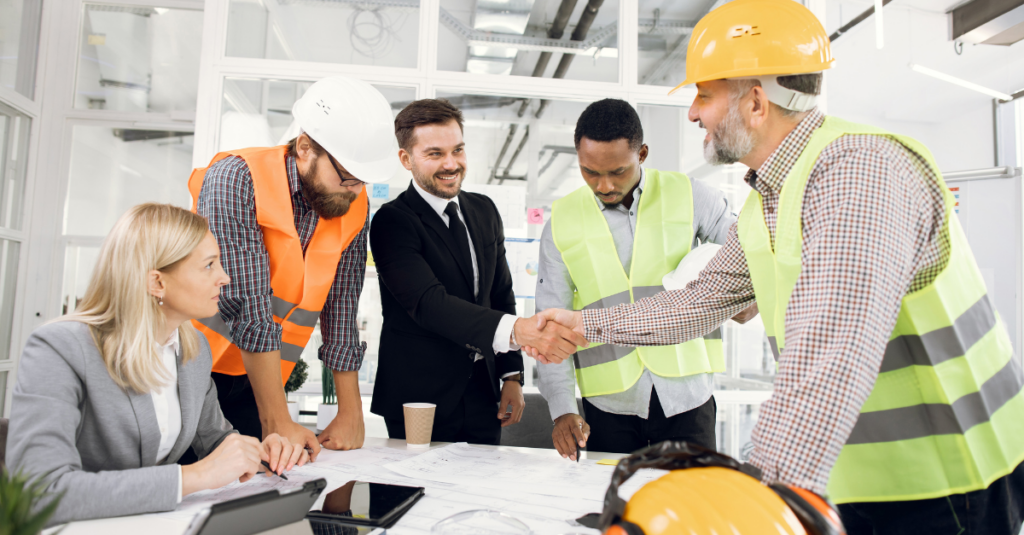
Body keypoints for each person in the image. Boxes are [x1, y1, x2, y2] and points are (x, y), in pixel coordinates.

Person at [531, 0, 1024, 533]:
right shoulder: (767, 199)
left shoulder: (857, 173)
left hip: (947, 478)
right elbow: (696, 303)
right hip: (853, 476)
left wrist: (755, 506)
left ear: (757, 103)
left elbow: (831, 355)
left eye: (704, 94)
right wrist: (585, 327)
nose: (694, 113)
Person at [8, 204, 307, 526]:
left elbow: (216, 441)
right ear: (157, 283)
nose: (224, 277)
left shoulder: (193, 348)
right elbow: (38, 493)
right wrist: (192, 477)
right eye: (209, 266)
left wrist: (259, 451)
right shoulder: (59, 347)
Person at [189, 76, 398, 456]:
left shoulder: (352, 198)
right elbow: (247, 305)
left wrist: (351, 410)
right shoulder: (236, 178)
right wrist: (277, 420)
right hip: (187, 371)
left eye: (363, 179)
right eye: (348, 175)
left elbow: (341, 306)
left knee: (255, 494)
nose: (355, 190)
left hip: (258, 380)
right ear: (305, 148)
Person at [536, 98, 751, 459]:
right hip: (609, 405)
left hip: (688, 396)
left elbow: (747, 259)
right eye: (590, 171)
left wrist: (744, 300)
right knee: (618, 511)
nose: (603, 185)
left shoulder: (692, 195)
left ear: (643, 154)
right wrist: (563, 408)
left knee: (694, 508)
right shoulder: (561, 221)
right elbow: (550, 322)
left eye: (618, 171)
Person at [369, 99, 587, 445]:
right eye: (435, 154)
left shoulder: (483, 211)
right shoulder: (392, 222)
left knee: (484, 491)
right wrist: (520, 331)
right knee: (415, 493)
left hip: (484, 393)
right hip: (420, 396)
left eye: (458, 150)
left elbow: (500, 294)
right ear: (406, 160)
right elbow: (429, 303)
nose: (451, 164)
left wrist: (511, 375)